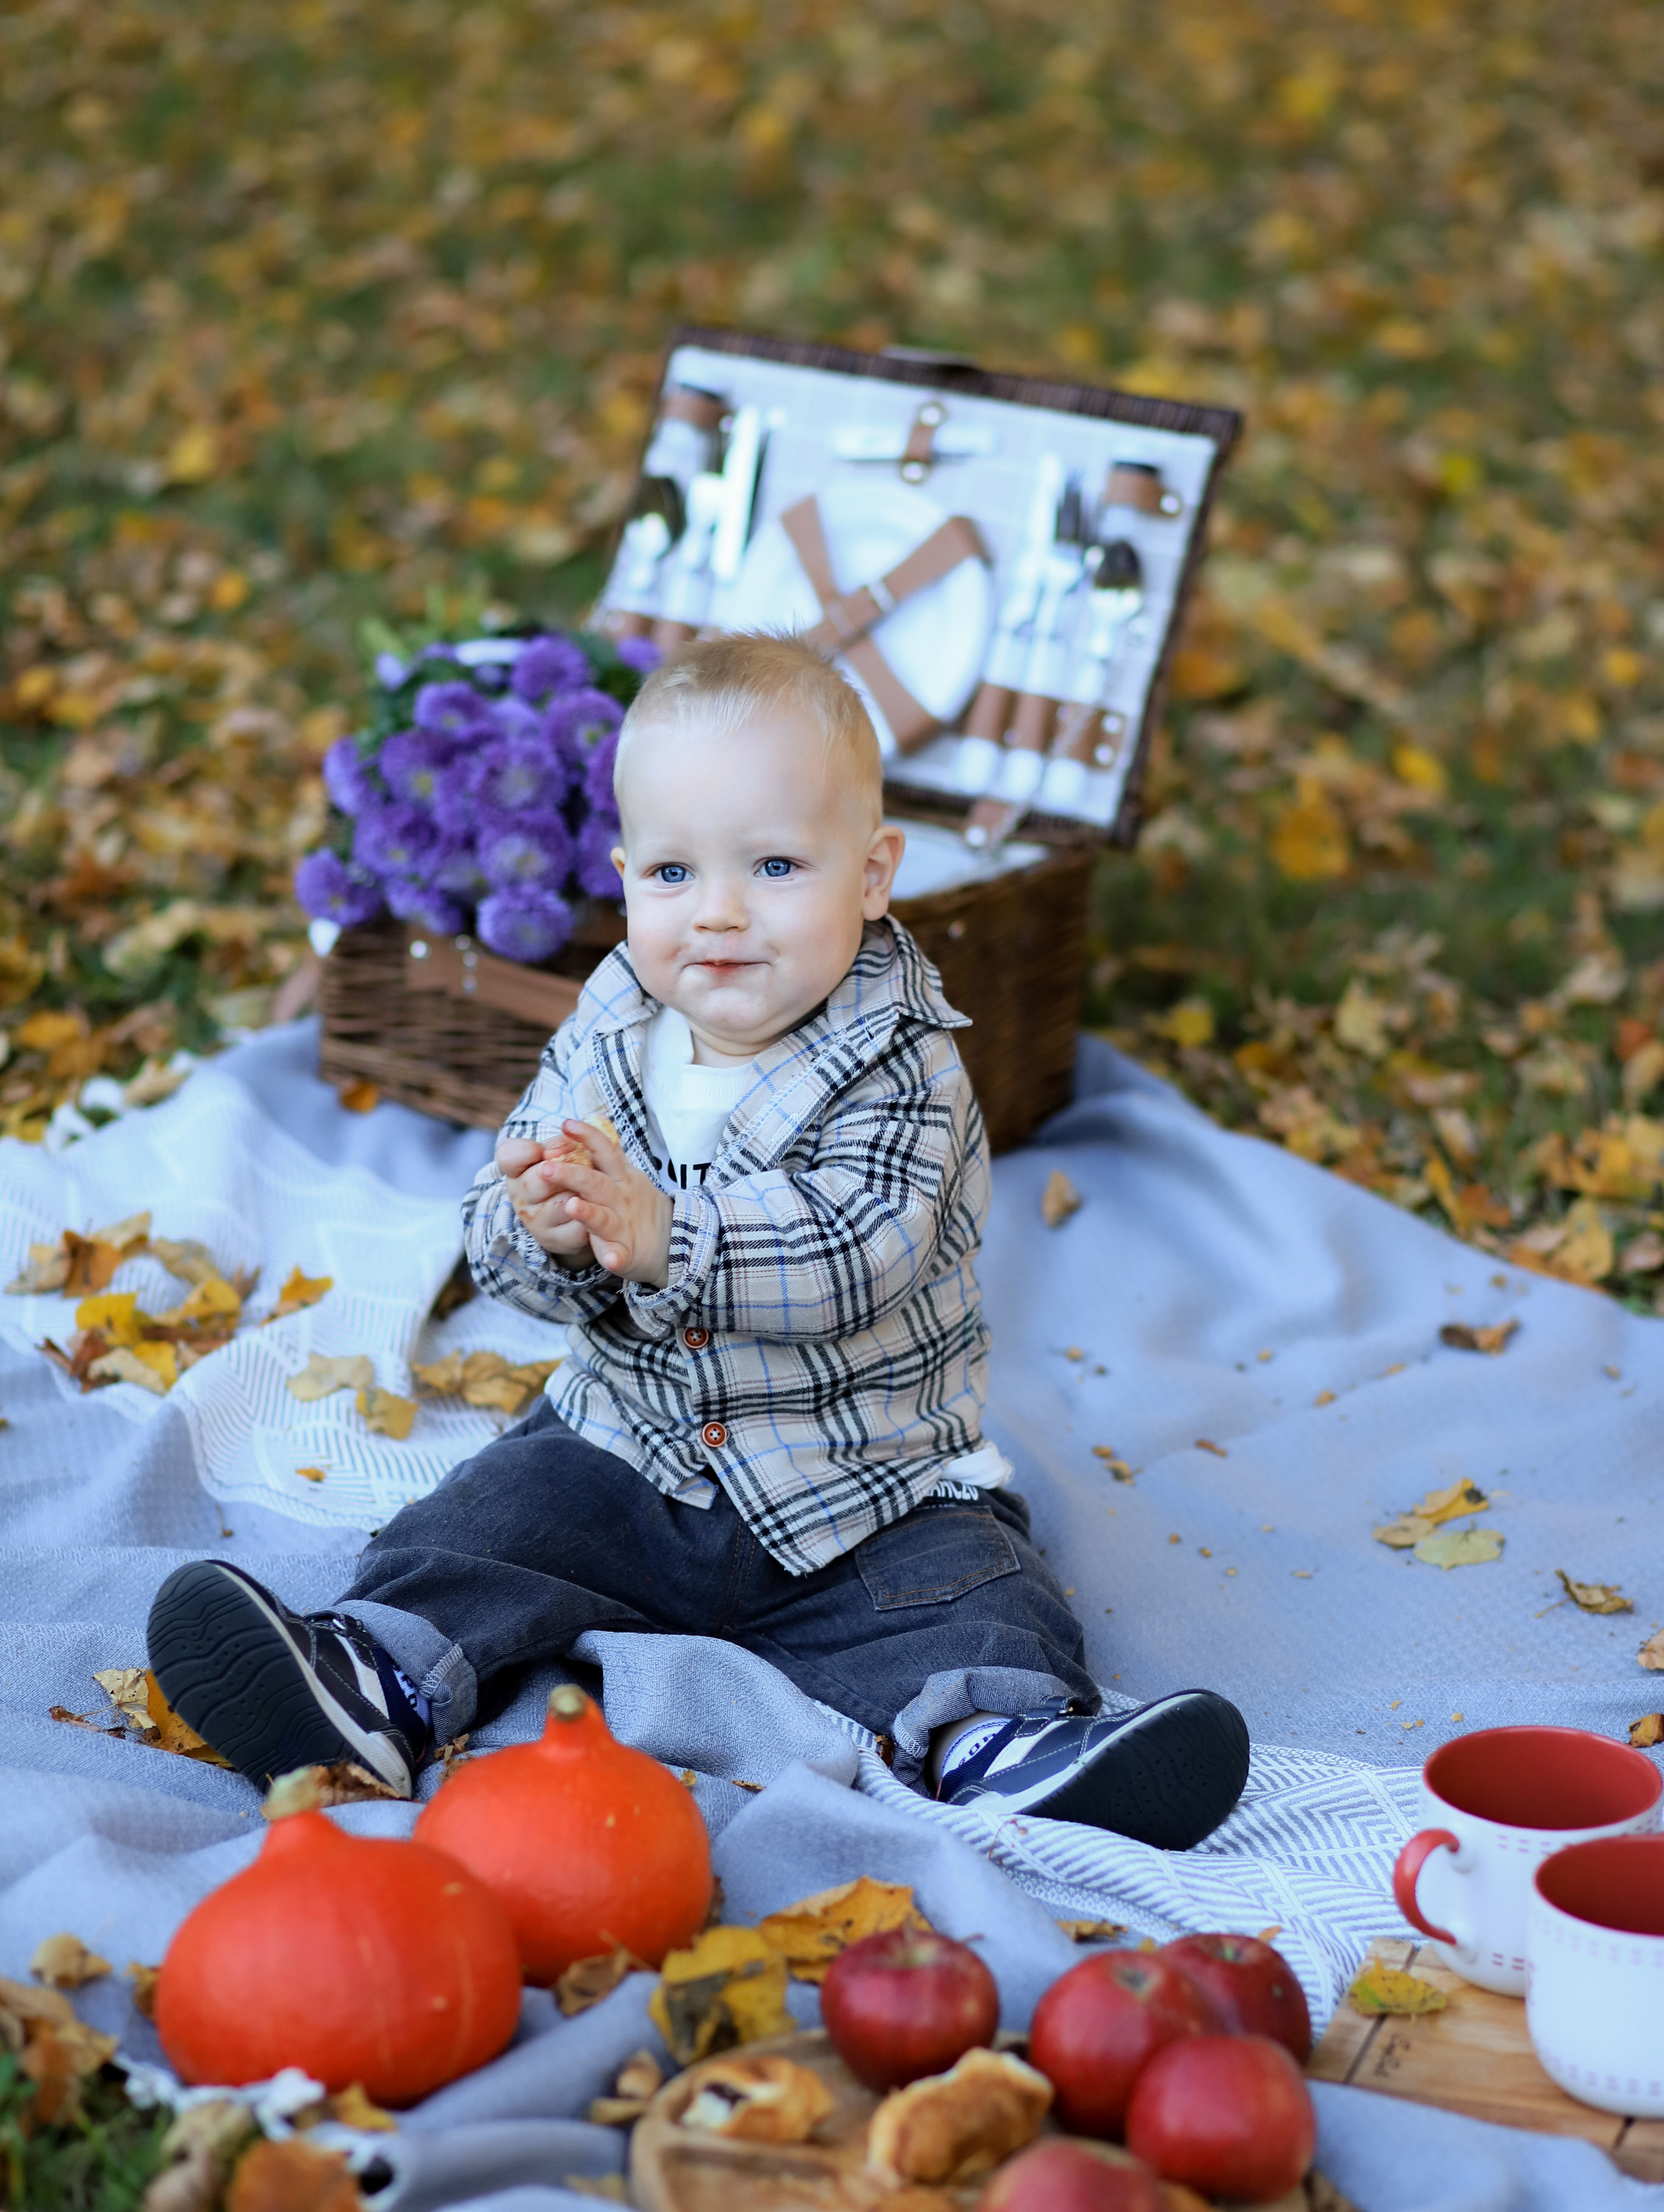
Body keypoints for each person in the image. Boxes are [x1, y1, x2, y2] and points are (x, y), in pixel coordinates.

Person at [147, 632, 1249, 1846]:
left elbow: (858, 1250)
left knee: (969, 1592)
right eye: (673, 873)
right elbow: (511, 1231)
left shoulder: (906, 1058)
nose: (717, 914)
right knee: (491, 1519)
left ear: (873, 873)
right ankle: (371, 1679)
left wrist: (668, 1230)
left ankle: (1010, 1742)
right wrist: (542, 1225)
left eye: (775, 865)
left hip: (856, 1482)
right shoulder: (612, 1027)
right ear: (623, 877)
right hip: (631, 1452)